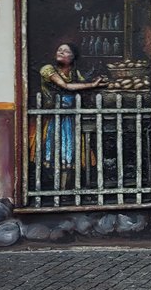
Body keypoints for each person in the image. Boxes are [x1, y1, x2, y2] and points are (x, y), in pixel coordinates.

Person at [35, 43, 106, 184]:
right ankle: (52, 186)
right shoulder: (47, 69)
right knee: (55, 149)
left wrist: (96, 82)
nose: (61, 52)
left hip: (70, 117)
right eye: (59, 49)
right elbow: (65, 86)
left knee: (70, 152)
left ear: (73, 57)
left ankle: (64, 187)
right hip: (55, 116)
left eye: (66, 51)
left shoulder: (75, 72)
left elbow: (82, 86)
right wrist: (92, 85)